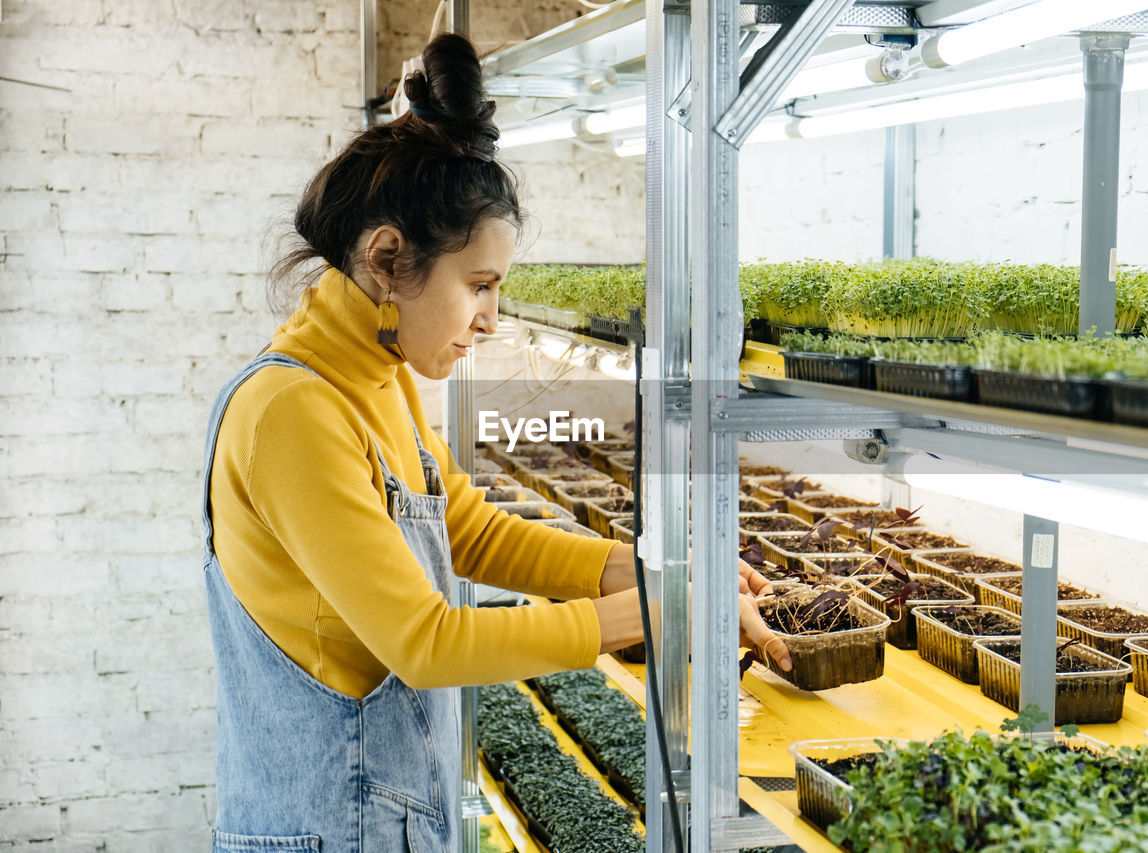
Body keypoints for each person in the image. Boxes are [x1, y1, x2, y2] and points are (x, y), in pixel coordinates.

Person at [199, 32, 789, 853]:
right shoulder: (291, 413)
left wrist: (661, 574)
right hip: (330, 831)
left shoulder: (378, 373)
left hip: (390, 819)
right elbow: (427, 642)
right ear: (385, 260)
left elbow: (466, 529)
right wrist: (655, 615)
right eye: (478, 286)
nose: (492, 319)